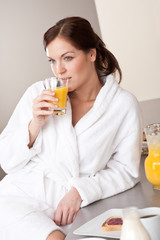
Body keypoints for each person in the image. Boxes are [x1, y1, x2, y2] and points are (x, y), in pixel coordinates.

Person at [0, 16, 143, 240]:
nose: (59, 70)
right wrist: (34, 124)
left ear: (91, 54)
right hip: (19, 197)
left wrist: (81, 191)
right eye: (52, 61)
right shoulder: (39, 93)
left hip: (73, 208)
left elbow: (126, 170)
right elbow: (7, 161)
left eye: (67, 58)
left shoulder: (122, 105)